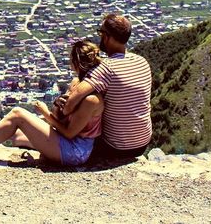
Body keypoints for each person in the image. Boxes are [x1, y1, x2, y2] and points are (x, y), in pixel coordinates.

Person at [0, 40, 103, 166]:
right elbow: (61, 117)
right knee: (16, 136)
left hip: (75, 151)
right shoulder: (76, 84)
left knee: (17, 115)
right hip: (64, 140)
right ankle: (46, 151)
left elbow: (69, 133)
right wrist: (56, 104)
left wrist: (45, 113)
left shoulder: (91, 99)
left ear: (75, 63)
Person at [62, 13, 152, 162]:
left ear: (107, 37)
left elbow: (71, 102)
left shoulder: (106, 68)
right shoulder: (142, 62)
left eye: (101, 32)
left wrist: (64, 112)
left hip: (114, 147)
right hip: (142, 143)